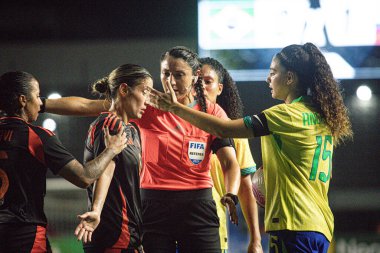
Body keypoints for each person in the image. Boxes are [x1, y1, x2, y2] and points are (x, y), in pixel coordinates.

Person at [148, 43, 353, 253]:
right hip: (320, 224)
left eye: (273, 73)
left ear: (290, 78)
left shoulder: (286, 114)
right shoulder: (322, 117)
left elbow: (224, 129)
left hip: (293, 223)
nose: (268, 79)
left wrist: (174, 108)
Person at [44, 46, 241, 253]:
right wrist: (41, 104)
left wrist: (231, 192)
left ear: (195, 76)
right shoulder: (145, 104)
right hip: (152, 207)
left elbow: (229, 162)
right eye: (166, 74)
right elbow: (86, 106)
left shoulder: (212, 112)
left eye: (179, 75)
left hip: (197, 205)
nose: (171, 81)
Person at [0, 71, 127, 253]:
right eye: (37, 96)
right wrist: (111, 151)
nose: (40, 102)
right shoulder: (36, 137)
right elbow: (84, 177)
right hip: (25, 234)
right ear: (22, 100)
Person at [74, 64, 153, 253]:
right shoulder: (110, 124)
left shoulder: (132, 131)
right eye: (144, 92)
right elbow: (107, 169)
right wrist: (97, 210)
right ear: (124, 89)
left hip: (129, 236)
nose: (147, 101)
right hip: (113, 234)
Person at [199, 57, 263, 253]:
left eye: (207, 81)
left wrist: (255, 239)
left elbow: (245, 188)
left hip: (211, 229)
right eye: (196, 81)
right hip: (168, 228)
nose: (201, 86)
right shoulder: (172, 124)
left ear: (219, 88)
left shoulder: (233, 132)